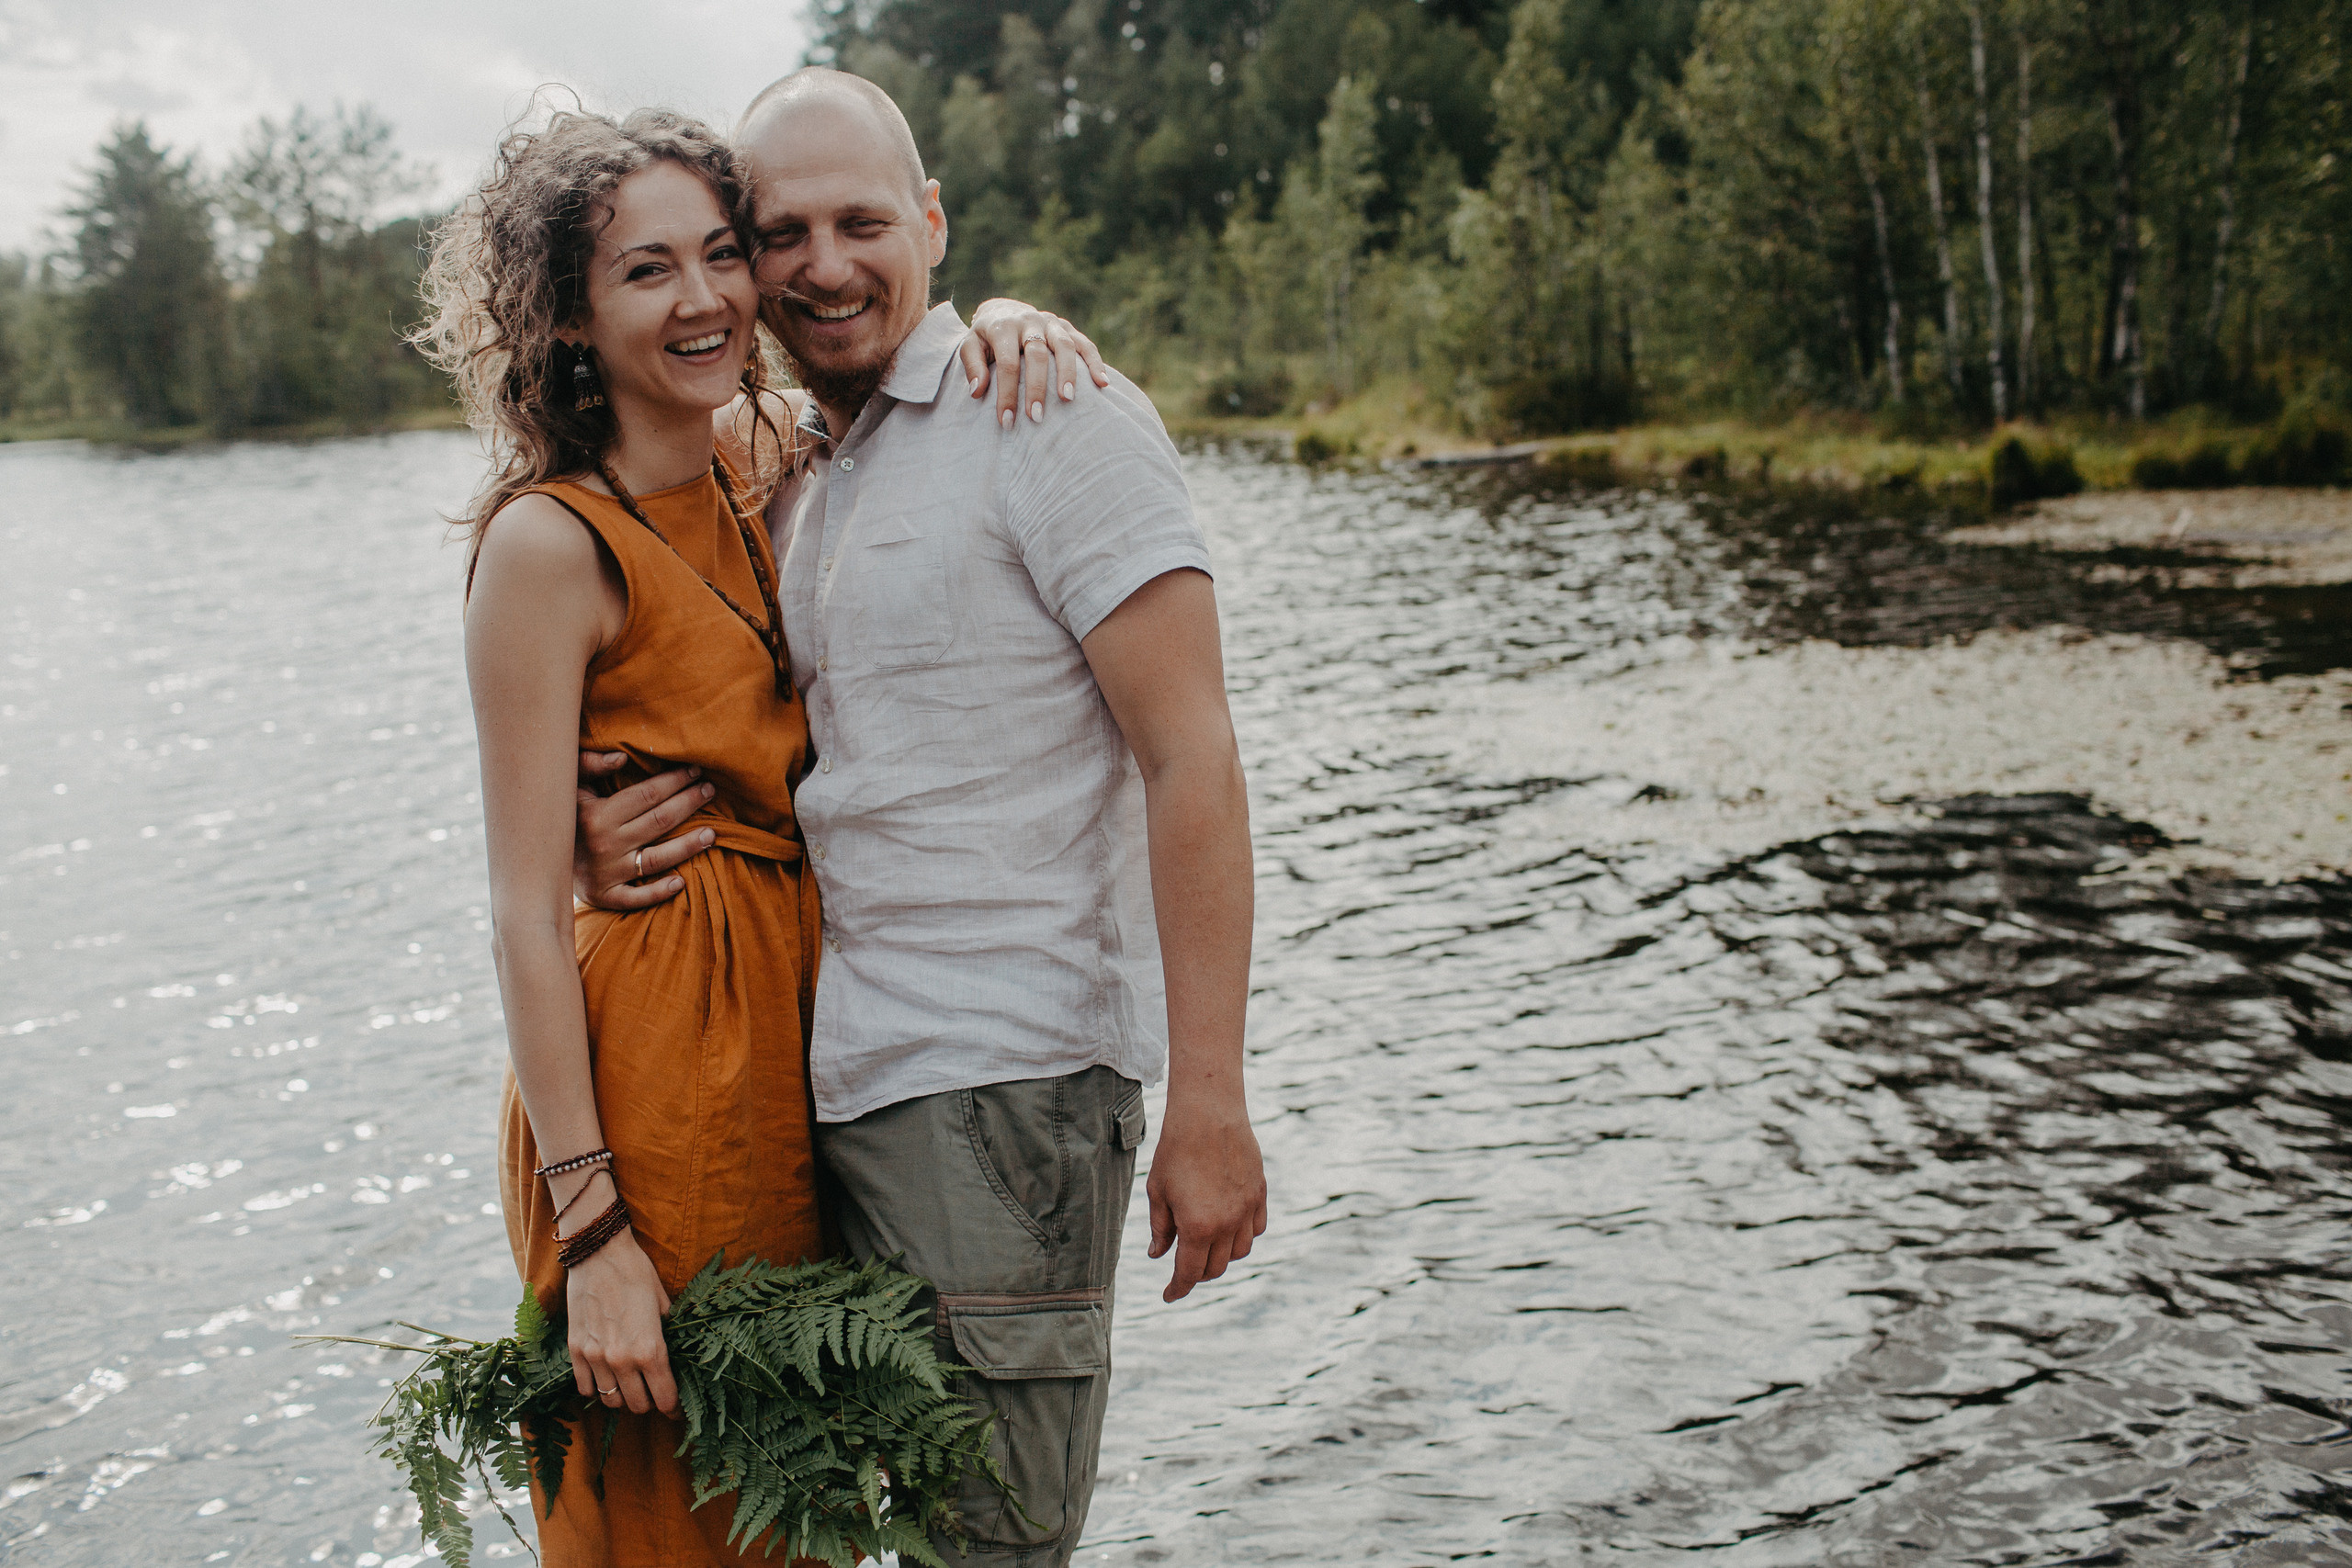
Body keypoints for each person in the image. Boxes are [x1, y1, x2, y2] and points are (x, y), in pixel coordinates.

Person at [572, 69, 1269, 1568]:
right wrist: (588, 827)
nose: (823, 265)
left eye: (863, 223)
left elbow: (1193, 756)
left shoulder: (1056, 415)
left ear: (934, 224)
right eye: (782, 233)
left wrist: (1211, 1095)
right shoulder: (793, 466)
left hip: (1009, 1088)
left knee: (988, 1547)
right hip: (827, 1088)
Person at [415, 103, 1106, 1565]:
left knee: (797, 1495)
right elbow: (522, 912)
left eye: (722, 254)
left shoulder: (765, 461)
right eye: (646, 270)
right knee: (680, 1501)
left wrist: (1010, 319)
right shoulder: (548, 544)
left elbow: (909, 369)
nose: (707, 297)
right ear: (567, 320)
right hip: (648, 1074)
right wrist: (594, 1232)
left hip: (795, 1047)